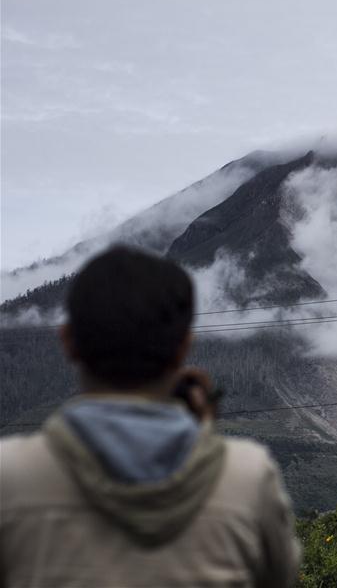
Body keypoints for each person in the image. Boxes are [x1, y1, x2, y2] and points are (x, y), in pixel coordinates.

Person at [0, 246, 301, 588]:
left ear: (68, 341)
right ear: (184, 346)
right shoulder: (250, 478)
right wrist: (203, 435)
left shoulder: (10, 478)